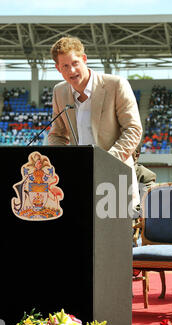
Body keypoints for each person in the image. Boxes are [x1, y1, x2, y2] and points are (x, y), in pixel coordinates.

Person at [48, 36, 142, 209]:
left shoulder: (116, 85)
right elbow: (57, 134)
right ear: (58, 68)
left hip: (115, 174)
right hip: (79, 179)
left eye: (75, 63)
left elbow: (133, 129)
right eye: (65, 66)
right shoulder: (59, 91)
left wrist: (107, 161)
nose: (72, 70)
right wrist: (65, 160)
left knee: (116, 235)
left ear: (84, 59)